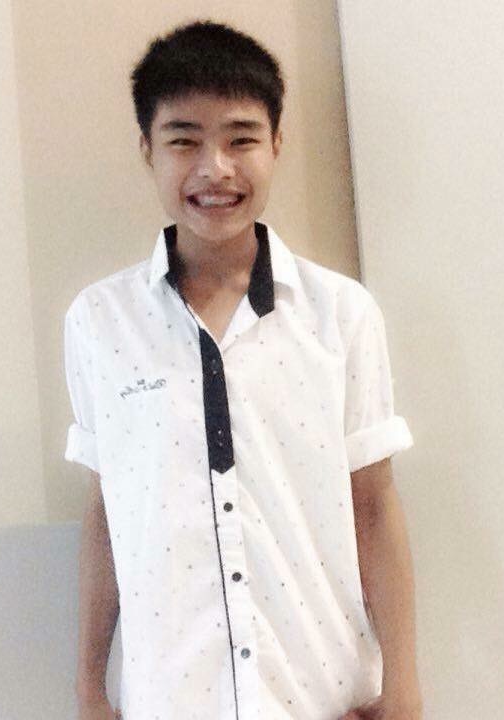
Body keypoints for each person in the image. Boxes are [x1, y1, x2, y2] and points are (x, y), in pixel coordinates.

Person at [65, 19, 422, 720]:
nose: (215, 169)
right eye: (184, 140)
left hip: (321, 693)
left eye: (240, 138)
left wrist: (405, 687)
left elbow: (375, 507)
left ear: (276, 143)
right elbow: (108, 513)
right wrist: (87, 686)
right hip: (169, 698)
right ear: (147, 149)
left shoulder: (340, 313)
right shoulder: (99, 322)